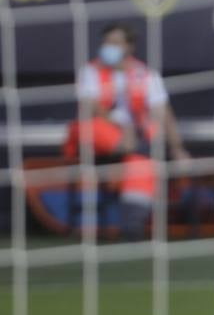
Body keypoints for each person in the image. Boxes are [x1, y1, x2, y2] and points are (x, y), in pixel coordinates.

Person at [64, 22, 190, 240]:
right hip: (100, 139)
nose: (108, 47)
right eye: (106, 42)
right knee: (89, 126)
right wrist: (123, 126)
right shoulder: (90, 71)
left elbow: (163, 112)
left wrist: (178, 148)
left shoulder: (145, 74)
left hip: (136, 142)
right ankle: (140, 149)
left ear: (129, 47)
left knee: (140, 160)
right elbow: (90, 106)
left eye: (115, 43)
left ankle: (132, 221)